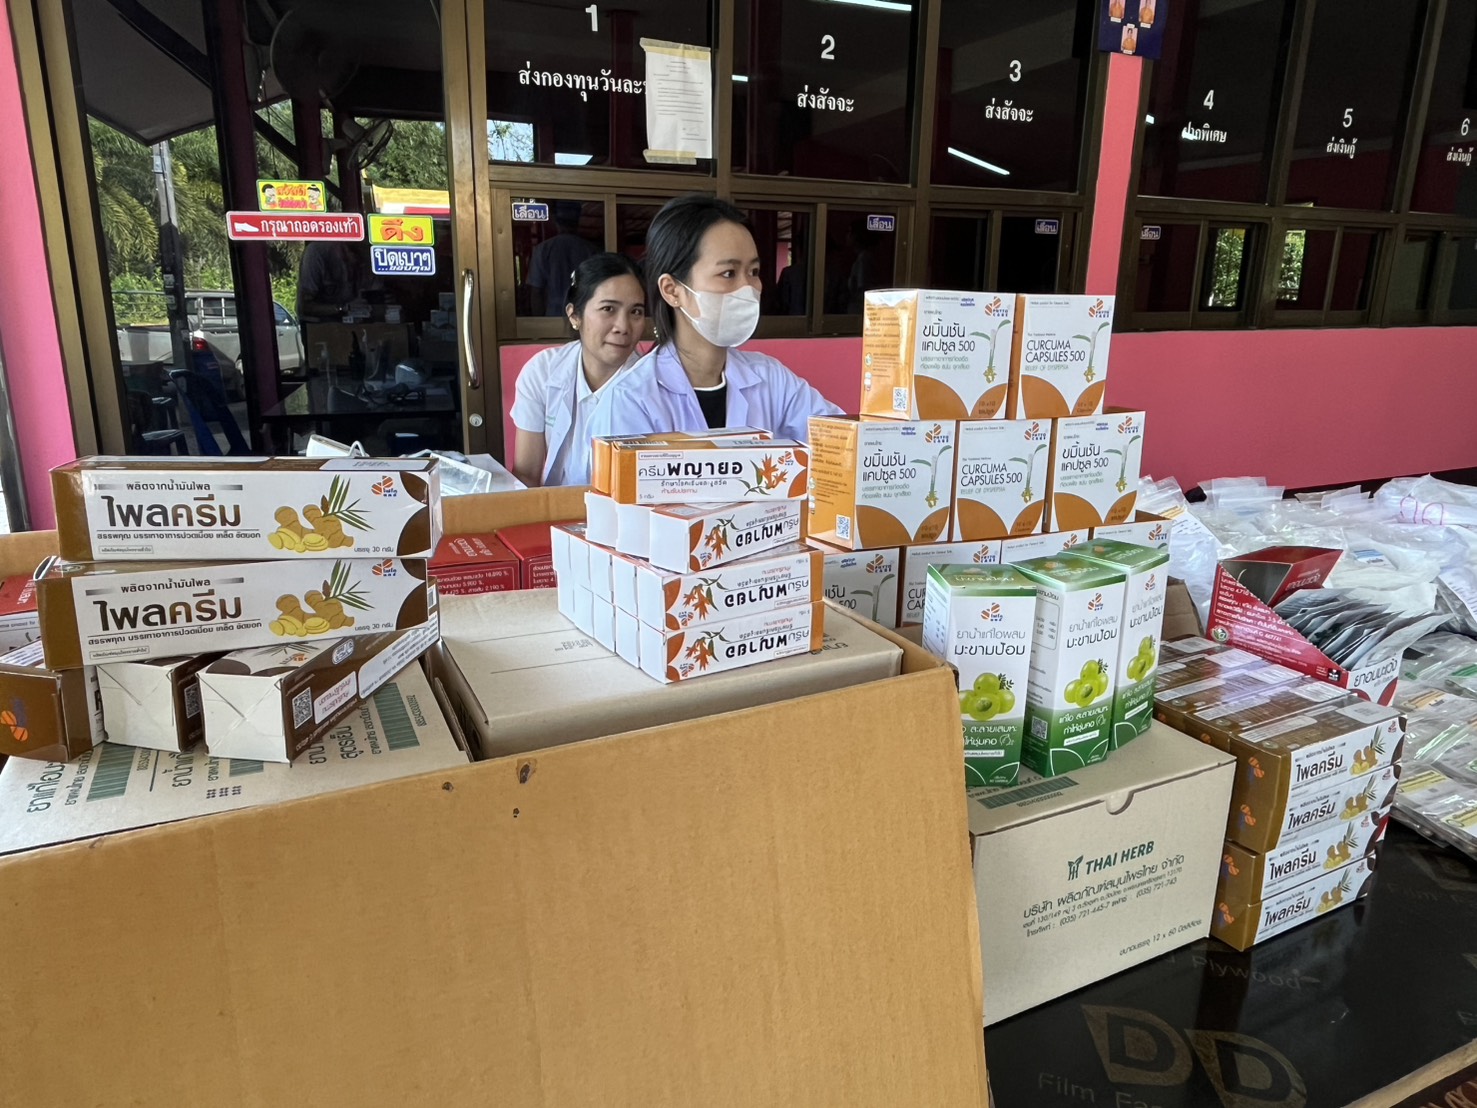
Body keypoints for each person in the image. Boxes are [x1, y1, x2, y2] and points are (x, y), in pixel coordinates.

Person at [588, 195, 842, 444]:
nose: (748, 288)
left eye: (753, 271)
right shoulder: (629, 400)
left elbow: (840, 442)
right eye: (728, 273)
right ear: (672, 290)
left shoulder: (773, 380)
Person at [511, 252, 648, 487]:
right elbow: (526, 475)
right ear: (575, 315)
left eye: (636, 312)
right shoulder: (542, 372)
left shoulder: (654, 384)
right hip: (553, 507)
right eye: (608, 309)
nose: (623, 327)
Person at [527, 202, 597, 317]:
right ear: (577, 221)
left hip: (552, 317)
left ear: (556, 222)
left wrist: (539, 321)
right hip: (582, 315)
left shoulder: (543, 249)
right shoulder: (590, 250)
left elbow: (536, 292)